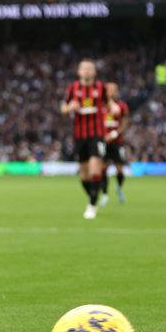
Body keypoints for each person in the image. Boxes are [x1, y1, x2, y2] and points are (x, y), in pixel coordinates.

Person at [61, 59, 118, 219]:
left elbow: (109, 103)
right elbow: (63, 108)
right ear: (79, 72)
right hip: (80, 136)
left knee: (95, 170)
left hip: (97, 134)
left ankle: (92, 205)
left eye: (89, 69)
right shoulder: (73, 88)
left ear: (94, 72)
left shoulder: (101, 87)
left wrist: (113, 107)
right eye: (83, 68)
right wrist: (69, 108)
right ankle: (92, 195)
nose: (86, 71)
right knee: (84, 176)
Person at [101, 82, 129, 204]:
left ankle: (119, 187)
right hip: (103, 142)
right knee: (103, 169)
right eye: (108, 90)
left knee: (120, 170)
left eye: (113, 90)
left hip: (117, 142)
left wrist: (113, 134)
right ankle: (105, 195)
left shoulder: (122, 106)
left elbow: (125, 123)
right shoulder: (101, 106)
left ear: (117, 92)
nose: (110, 92)